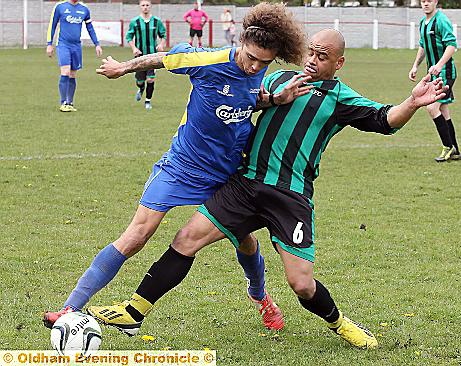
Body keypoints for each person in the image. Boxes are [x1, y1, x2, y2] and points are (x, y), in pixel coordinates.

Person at [87, 29, 447, 349]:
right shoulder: (278, 80)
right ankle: (134, 312)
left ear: (339, 63)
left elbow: (385, 119)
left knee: (301, 284)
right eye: (310, 52)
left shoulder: (341, 99)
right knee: (186, 239)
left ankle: (340, 323)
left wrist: (413, 102)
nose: (313, 60)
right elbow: (246, 101)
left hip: (289, 198)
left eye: (322, 57)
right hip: (244, 185)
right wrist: (269, 98)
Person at [43, 2, 310, 333]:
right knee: (136, 235)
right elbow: (163, 59)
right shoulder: (207, 60)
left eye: (264, 62)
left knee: (246, 241)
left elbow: (249, 98)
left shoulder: (259, 72)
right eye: (250, 57)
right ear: (241, 41)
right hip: (182, 165)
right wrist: (123, 67)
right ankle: (70, 307)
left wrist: (275, 99)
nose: (255, 66)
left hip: (228, 174)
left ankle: (260, 296)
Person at [409, 0, 460, 162]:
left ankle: (447, 146)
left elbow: (452, 45)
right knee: (443, 110)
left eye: (429, 1)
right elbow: (423, 46)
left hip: (445, 72)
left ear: (435, 2)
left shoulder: (441, 20)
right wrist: (415, 66)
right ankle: (455, 150)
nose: (425, 4)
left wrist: (438, 65)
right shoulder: (423, 23)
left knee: (432, 107)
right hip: (433, 74)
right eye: (423, 1)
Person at [46, 0, 103, 112]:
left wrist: (97, 44)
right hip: (63, 44)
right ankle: (63, 103)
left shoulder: (84, 9)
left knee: (72, 74)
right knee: (65, 71)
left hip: (76, 46)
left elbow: (90, 28)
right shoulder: (60, 7)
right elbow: (52, 25)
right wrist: (49, 44)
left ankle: (70, 102)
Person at [126, 0, 166, 110]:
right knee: (140, 81)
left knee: (151, 79)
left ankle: (148, 101)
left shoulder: (157, 21)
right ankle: (141, 88)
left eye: (147, 5)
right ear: (140, 7)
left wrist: (161, 44)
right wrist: (134, 48)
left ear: (150, 7)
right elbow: (129, 37)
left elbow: (163, 35)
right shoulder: (135, 21)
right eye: (143, 5)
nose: (145, 7)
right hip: (139, 56)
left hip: (153, 56)